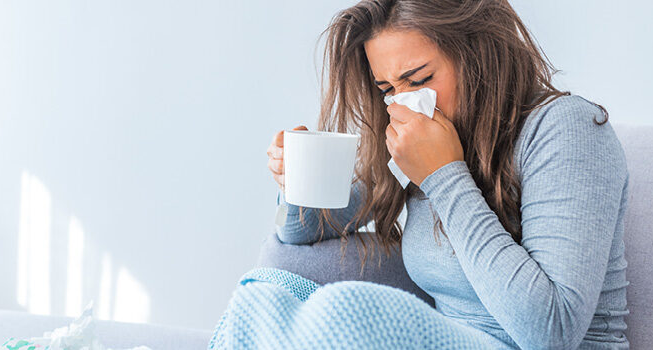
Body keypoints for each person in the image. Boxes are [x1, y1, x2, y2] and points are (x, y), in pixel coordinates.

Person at [265, 0, 630, 349]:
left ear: (478, 56)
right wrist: (295, 178)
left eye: (420, 79)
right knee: (265, 294)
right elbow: (304, 232)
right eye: (388, 90)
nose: (405, 103)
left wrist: (443, 175)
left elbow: (552, 331)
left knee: (342, 312)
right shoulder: (417, 145)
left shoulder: (566, 128)